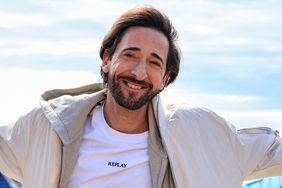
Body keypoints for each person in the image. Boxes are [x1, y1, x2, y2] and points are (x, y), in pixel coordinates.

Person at [0, 5, 281, 188]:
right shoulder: (46, 128)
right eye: (130, 55)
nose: (138, 72)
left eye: (154, 62)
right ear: (107, 60)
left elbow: (271, 153)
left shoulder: (200, 135)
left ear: (166, 78)